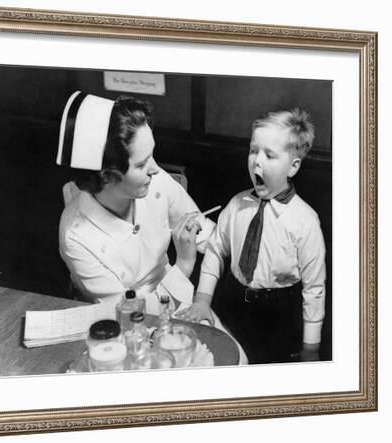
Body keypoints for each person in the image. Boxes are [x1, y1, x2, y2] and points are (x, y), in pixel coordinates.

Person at [177, 108, 326, 364]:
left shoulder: (306, 221)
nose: (257, 161)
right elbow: (215, 251)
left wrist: (311, 346)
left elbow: (314, 288)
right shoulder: (235, 205)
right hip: (232, 304)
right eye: (253, 150)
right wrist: (202, 300)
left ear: (293, 166)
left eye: (269, 155)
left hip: (279, 315)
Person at [57, 91, 214, 315]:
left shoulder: (155, 182)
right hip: (123, 324)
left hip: (178, 300)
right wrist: (184, 265)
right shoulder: (76, 237)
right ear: (107, 176)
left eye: (152, 155)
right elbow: (128, 315)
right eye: (141, 165)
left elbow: (209, 236)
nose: (156, 169)